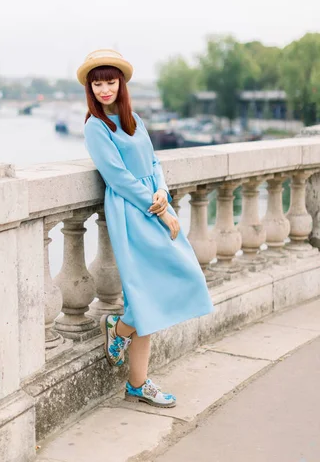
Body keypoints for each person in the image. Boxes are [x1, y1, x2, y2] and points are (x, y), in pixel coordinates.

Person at [77, 48, 214, 408]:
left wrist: (163, 193)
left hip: (152, 204)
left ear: (120, 84)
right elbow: (117, 177)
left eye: (110, 82)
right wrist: (159, 210)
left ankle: (119, 329)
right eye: (98, 84)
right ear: (90, 89)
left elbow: (153, 162)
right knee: (144, 294)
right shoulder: (95, 127)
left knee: (185, 274)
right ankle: (138, 382)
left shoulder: (134, 119)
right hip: (130, 212)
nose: (104, 89)